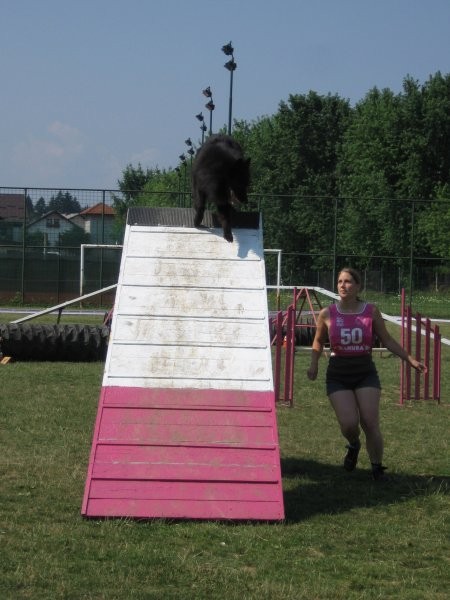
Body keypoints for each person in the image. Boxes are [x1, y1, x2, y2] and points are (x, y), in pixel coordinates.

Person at [307, 267, 427, 480]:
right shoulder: (327, 313)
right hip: (338, 375)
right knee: (349, 423)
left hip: (365, 373)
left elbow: (387, 340)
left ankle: (377, 468)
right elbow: (318, 340)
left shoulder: (370, 311)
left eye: (348, 281)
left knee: (370, 421)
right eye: (340, 281)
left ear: (358, 286)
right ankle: (354, 445)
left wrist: (410, 359)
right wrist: (314, 363)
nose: (343, 285)